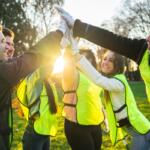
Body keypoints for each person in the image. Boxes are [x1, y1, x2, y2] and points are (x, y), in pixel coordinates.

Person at [55, 6, 150, 102]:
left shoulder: (119, 83)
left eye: (111, 60)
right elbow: (114, 41)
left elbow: (98, 79)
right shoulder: (144, 52)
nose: (105, 62)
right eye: (105, 59)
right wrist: (78, 27)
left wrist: (74, 51)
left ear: (118, 64)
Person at [0, 19, 67, 150]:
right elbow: (27, 60)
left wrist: (58, 47)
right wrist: (58, 34)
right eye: (3, 42)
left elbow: (21, 61)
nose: (8, 47)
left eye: (9, 43)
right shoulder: (3, 70)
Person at [61, 47, 104, 150]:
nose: (84, 61)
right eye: (81, 57)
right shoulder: (71, 75)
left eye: (88, 58)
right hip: (77, 126)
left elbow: (95, 98)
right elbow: (67, 60)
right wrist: (70, 44)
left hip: (96, 124)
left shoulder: (94, 77)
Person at [17, 66, 58, 150]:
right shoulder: (33, 81)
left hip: (45, 132)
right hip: (35, 133)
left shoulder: (48, 82)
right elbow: (40, 67)